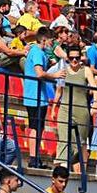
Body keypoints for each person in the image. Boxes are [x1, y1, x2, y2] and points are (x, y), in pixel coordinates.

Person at [23, 27, 65, 168]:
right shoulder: (38, 52)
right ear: (44, 40)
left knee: (38, 127)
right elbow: (39, 73)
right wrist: (55, 75)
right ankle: (34, 158)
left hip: (35, 95)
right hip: (35, 95)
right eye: (51, 41)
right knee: (36, 127)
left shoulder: (36, 51)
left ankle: (35, 158)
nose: (51, 44)